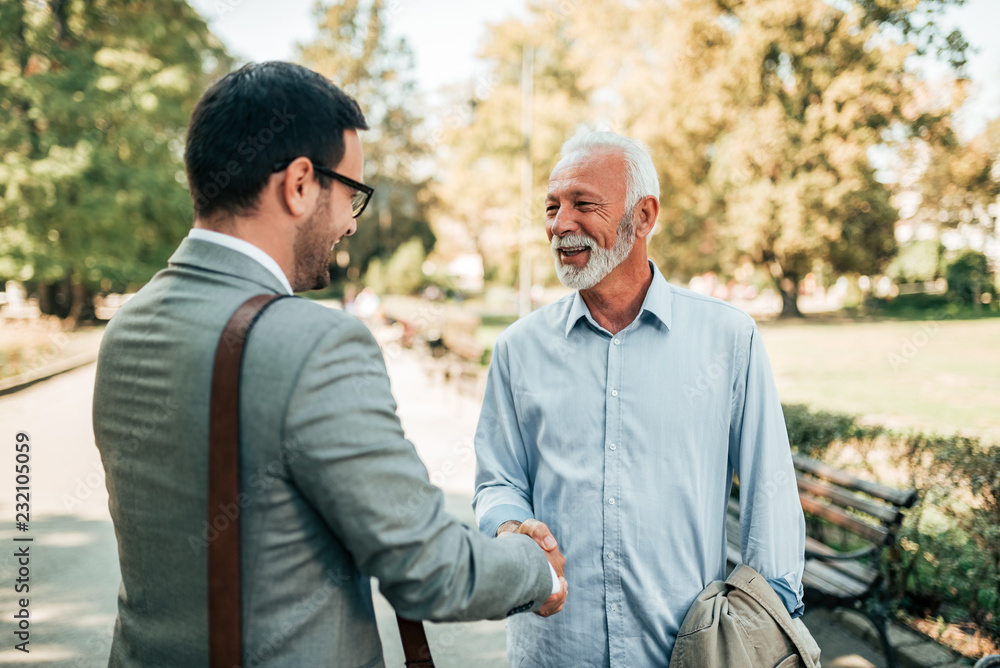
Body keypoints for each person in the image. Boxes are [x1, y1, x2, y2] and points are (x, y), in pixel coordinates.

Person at [92, 61, 566, 667]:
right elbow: (429, 569)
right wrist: (537, 569)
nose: (350, 223)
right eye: (352, 195)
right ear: (298, 185)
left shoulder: (127, 327)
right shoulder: (316, 343)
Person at [473, 131, 806, 666]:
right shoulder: (519, 348)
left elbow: (770, 495)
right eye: (552, 207)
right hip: (555, 649)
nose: (561, 224)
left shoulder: (728, 338)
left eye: (584, 204)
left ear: (644, 216)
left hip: (686, 651)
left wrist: (764, 635)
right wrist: (512, 528)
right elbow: (497, 481)